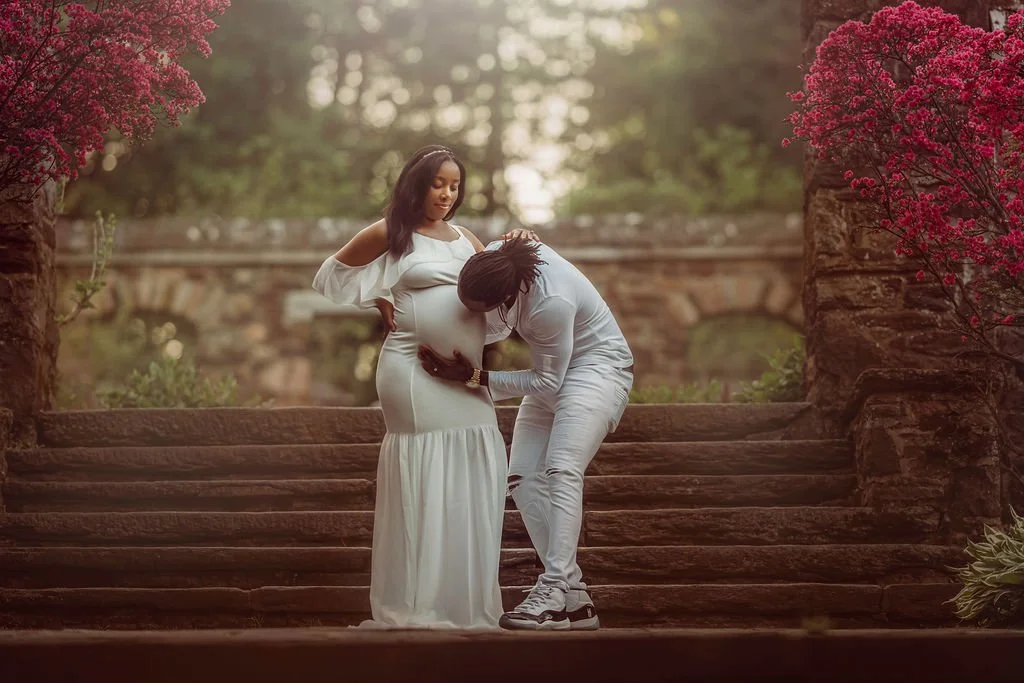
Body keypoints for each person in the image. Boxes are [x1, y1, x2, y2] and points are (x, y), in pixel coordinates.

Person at [312, 145, 533, 629]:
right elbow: (331, 275)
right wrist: (377, 296)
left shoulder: (467, 240)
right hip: (411, 374)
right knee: (426, 470)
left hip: (465, 380)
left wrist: (516, 248)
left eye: (454, 186)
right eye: (438, 184)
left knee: (478, 456)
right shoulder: (391, 233)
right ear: (417, 184)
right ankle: (417, 604)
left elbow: (497, 297)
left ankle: (462, 603)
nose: (447, 194)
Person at [419, 237, 634, 631]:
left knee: (562, 469)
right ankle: (577, 599)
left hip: (597, 371)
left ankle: (553, 590)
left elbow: (547, 380)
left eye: (480, 309)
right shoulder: (498, 255)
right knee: (520, 477)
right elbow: (495, 327)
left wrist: (474, 377)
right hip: (555, 373)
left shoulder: (550, 304)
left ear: (506, 293)